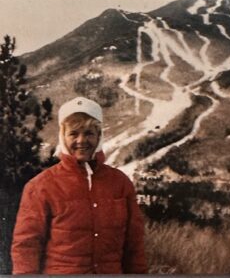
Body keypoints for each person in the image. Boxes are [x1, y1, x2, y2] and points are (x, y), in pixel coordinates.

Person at [11, 97, 147, 274]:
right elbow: (26, 246)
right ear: (63, 136)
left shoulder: (120, 183)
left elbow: (134, 246)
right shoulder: (41, 186)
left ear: (99, 136)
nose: (81, 140)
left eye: (89, 133)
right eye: (74, 133)